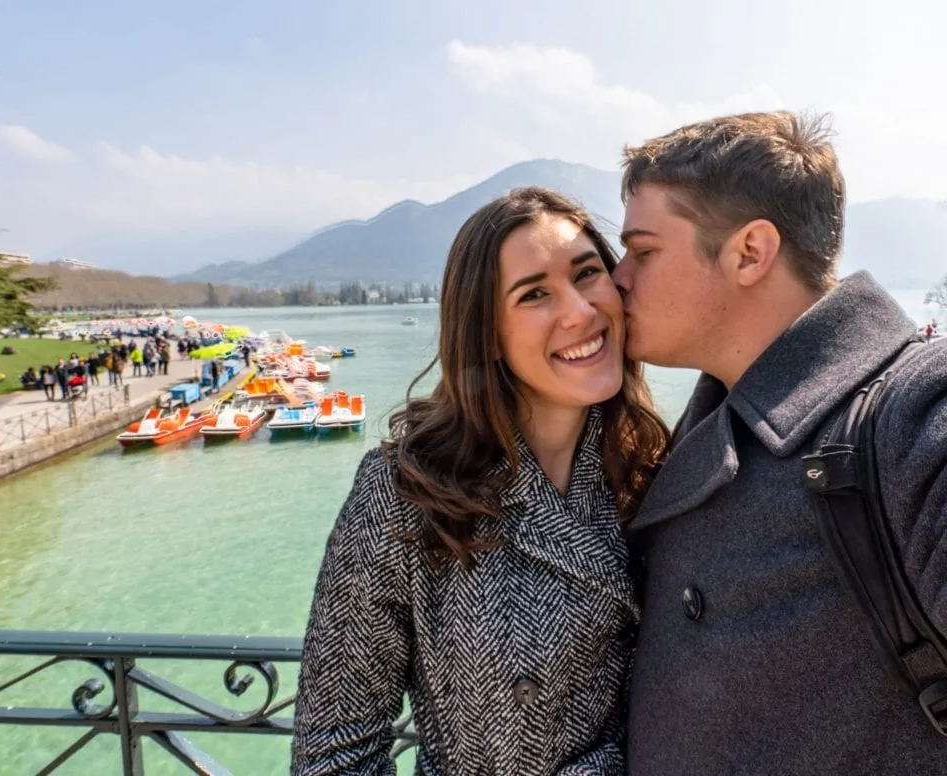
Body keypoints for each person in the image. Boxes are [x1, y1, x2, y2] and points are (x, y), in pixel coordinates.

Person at [611, 111, 947, 774]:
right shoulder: (715, 420)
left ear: (750, 253)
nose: (617, 277)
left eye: (643, 251)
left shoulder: (915, 412)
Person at [291, 187, 670, 775]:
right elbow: (335, 753)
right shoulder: (408, 491)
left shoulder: (656, 469)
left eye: (587, 273)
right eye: (535, 294)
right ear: (487, 333)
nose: (579, 311)